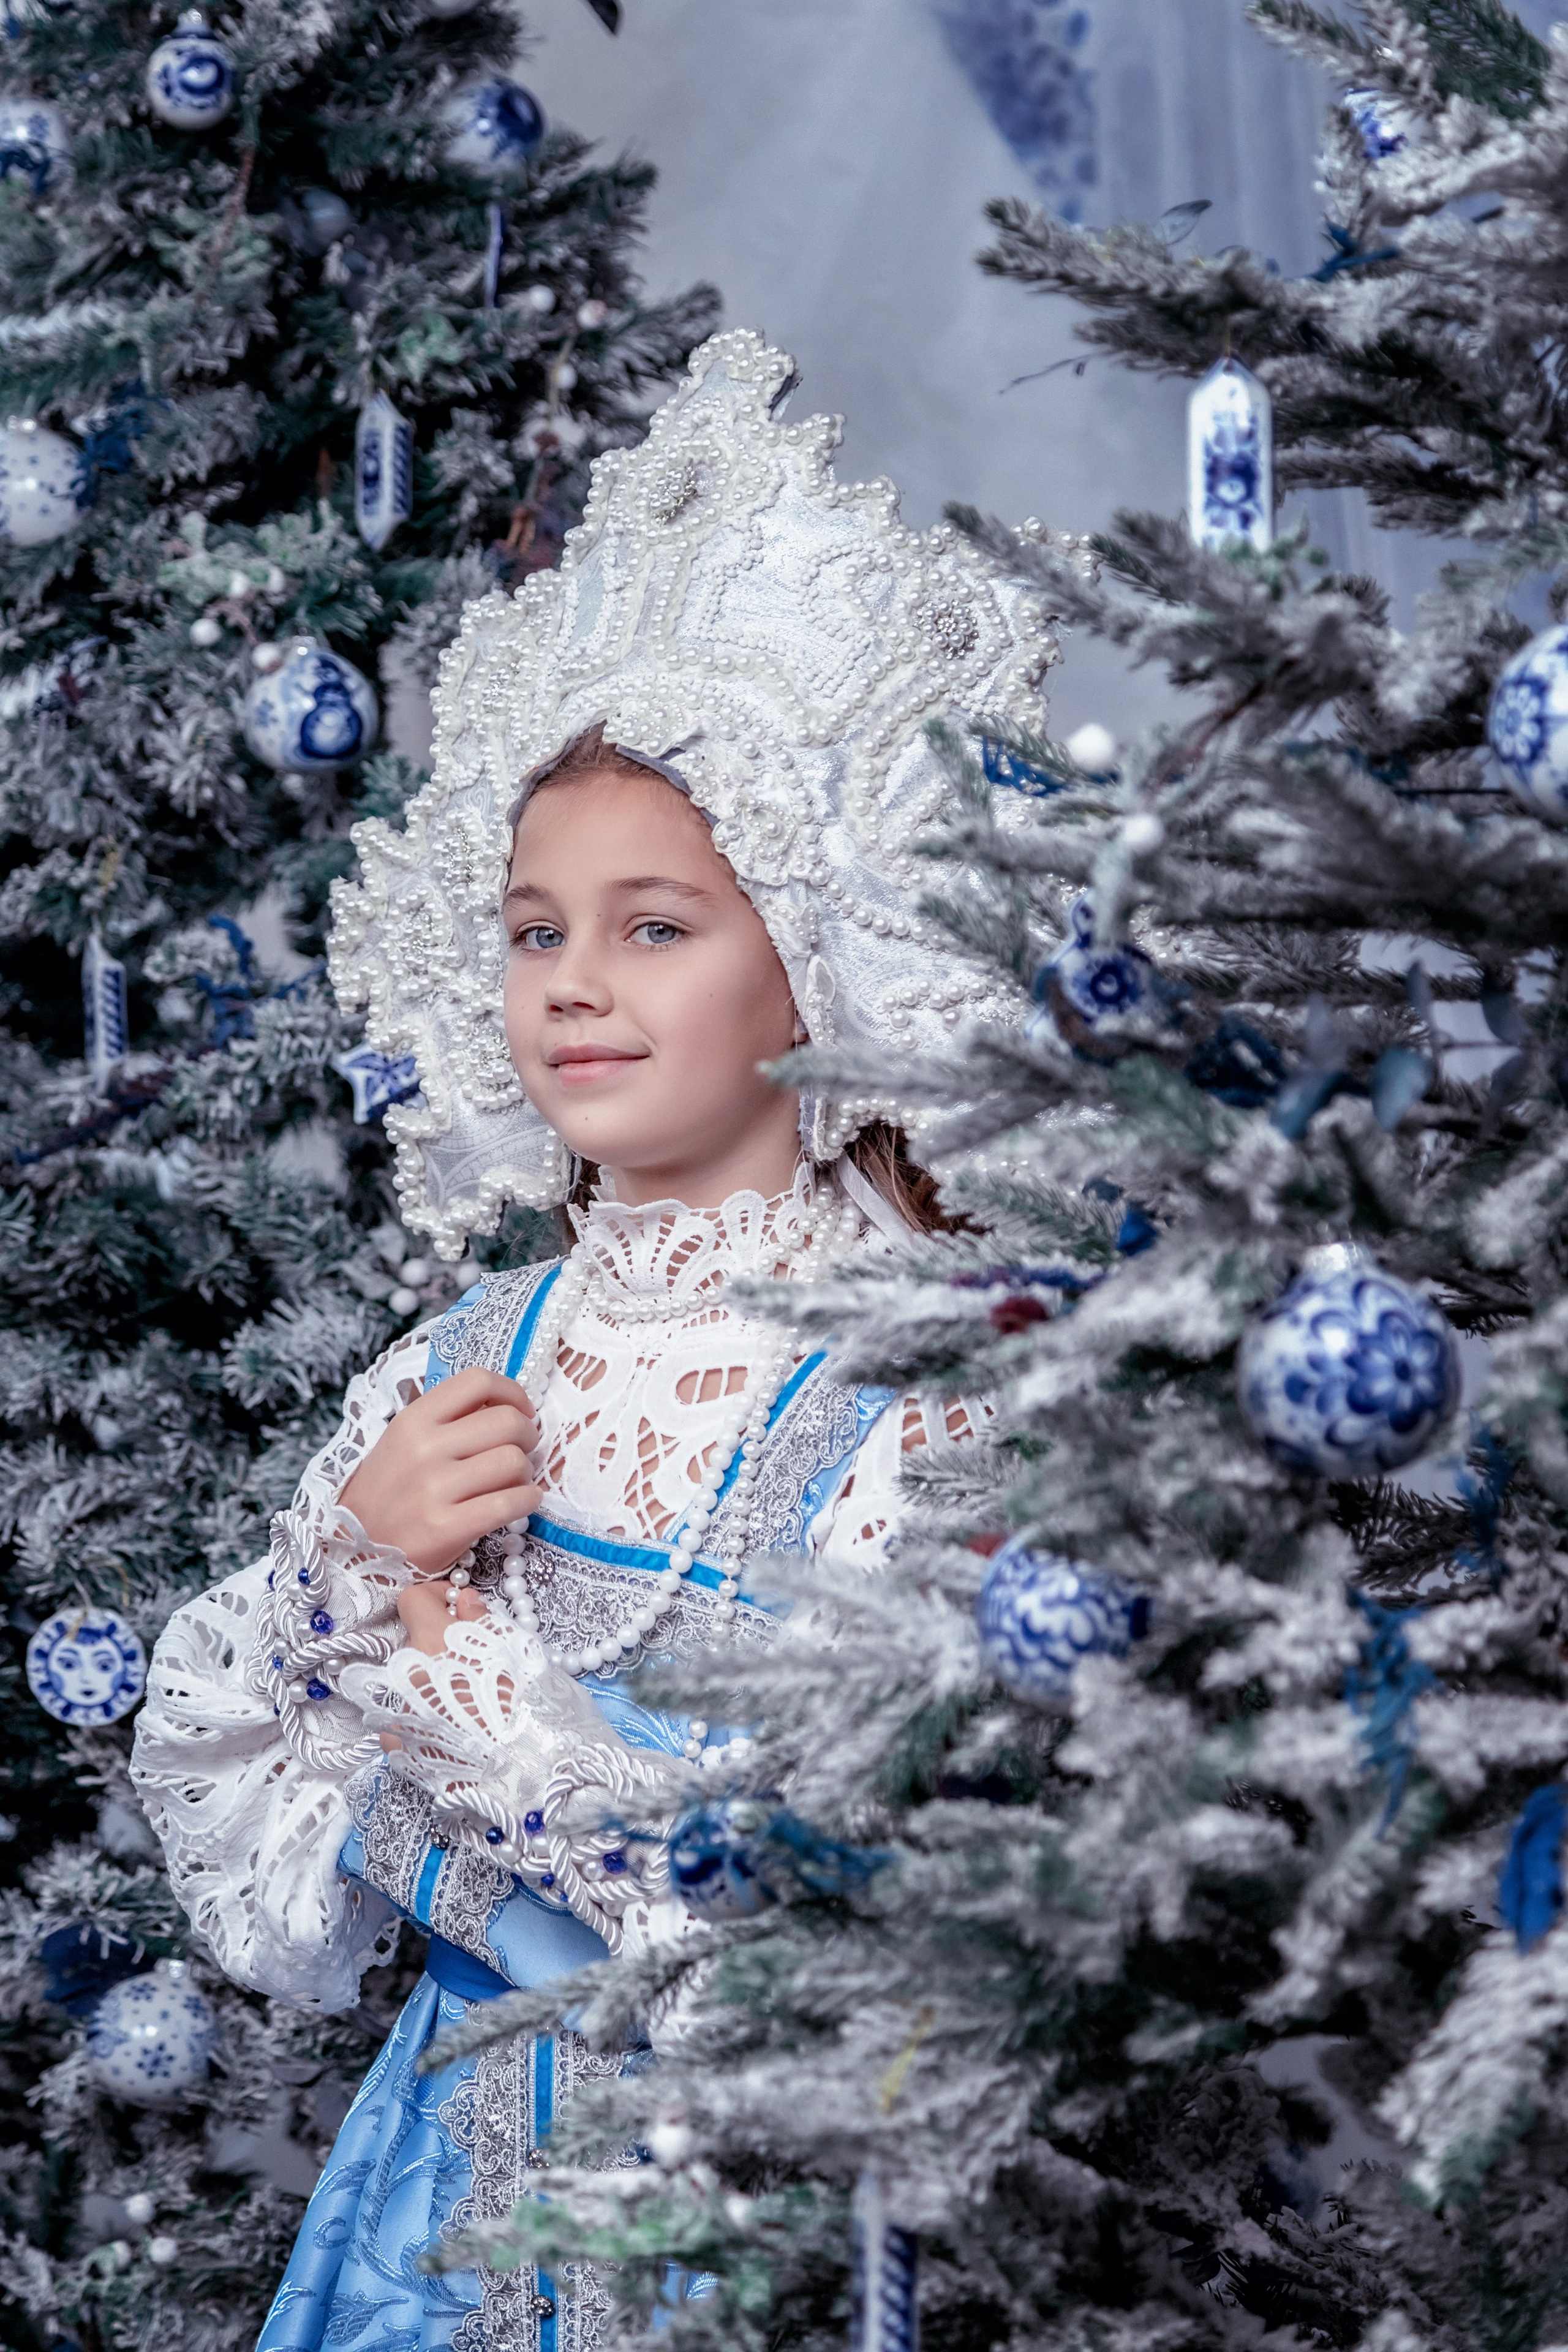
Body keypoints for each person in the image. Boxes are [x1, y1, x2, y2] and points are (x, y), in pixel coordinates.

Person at [130, 330, 1056, 2352]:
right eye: (537, 930)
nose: (576, 986)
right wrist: (345, 1575)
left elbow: (887, 1960)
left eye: (657, 926)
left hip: (752, 2266)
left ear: (813, 950)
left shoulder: (919, 1380)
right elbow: (253, 1852)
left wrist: (494, 1724)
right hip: (431, 2238)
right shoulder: (469, 1350)